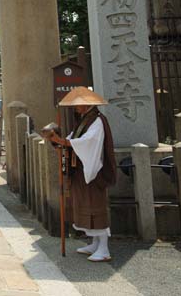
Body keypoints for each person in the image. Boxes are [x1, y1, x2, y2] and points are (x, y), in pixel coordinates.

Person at [47, 87, 117, 263]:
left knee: (95, 205)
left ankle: (104, 248)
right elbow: (74, 138)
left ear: (86, 104)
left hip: (94, 171)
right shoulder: (85, 120)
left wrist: (63, 141)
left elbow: (88, 142)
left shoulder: (98, 121)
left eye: (78, 105)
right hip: (82, 169)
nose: (76, 108)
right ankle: (95, 243)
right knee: (84, 204)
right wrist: (60, 141)